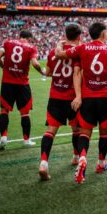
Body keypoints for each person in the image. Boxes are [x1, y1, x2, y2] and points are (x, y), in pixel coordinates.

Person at [55, 22, 107, 184]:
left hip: (87, 97)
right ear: (103, 34)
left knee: (85, 132)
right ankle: (100, 163)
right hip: (106, 97)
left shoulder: (82, 48)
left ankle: (82, 157)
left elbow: (61, 55)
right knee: (104, 133)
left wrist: (58, 45)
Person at [38, 24, 83, 181]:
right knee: (76, 129)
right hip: (72, 97)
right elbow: (79, 73)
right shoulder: (77, 53)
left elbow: (48, 73)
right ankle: (76, 157)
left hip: (55, 96)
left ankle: (43, 163)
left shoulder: (53, 52)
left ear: (65, 35)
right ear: (79, 37)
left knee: (50, 131)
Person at [0, 30, 45, 150]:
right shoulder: (31, 47)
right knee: (25, 113)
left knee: (4, 111)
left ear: (19, 36)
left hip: (7, 83)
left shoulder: (7, 43)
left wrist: (4, 68)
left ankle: (3, 139)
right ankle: (26, 140)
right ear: (29, 38)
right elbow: (35, 64)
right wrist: (42, 73)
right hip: (22, 84)